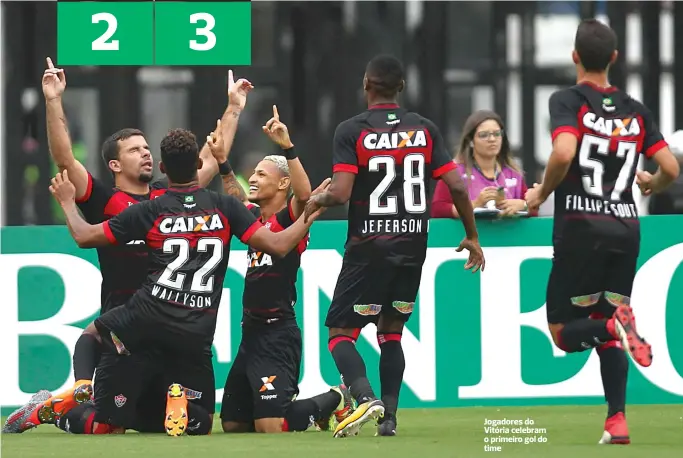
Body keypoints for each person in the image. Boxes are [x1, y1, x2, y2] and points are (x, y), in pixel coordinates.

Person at [2, 58, 253, 434]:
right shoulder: (106, 201)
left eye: (147, 147)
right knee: (108, 428)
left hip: (172, 329)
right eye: (135, 150)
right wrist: (53, 100)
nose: (147, 153)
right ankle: (56, 408)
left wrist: (233, 108)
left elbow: (208, 162)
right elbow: (64, 159)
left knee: (189, 424)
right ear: (115, 164)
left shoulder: (167, 199)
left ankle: (96, 405)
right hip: (125, 331)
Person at [39, 128, 330, 437]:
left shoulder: (150, 209)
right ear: (198, 166)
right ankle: (174, 404)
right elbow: (280, 244)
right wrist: (312, 213)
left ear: (163, 169)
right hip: (196, 330)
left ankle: (82, 388)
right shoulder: (225, 208)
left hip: (148, 314)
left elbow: (85, 237)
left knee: (94, 336)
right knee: (202, 423)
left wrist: (68, 202)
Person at [303, 54, 485, 438]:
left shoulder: (352, 131)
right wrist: (471, 235)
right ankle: (390, 419)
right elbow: (455, 186)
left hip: (369, 248)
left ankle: (366, 397)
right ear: (401, 87)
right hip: (412, 248)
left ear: (366, 84)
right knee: (391, 332)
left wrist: (316, 201)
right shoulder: (425, 129)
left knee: (340, 334)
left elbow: (340, 192)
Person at [524, 19, 680, 445]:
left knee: (563, 332)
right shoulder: (635, 109)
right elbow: (670, 168)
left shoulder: (569, 100)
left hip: (580, 230)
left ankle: (615, 328)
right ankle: (617, 422)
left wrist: (541, 193)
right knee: (604, 318)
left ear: (575, 56)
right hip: (625, 231)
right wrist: (652, 183)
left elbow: (563, 151)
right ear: (614, 58)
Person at [213, 105, 355, 434]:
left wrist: (287, 147)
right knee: (233, 424)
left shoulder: (290, 218)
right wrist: (223, 163)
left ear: (282, 185)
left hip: (277, 334)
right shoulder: (255, 221)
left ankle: (334, 397)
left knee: (272, 425)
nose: (253, 178)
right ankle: (317, 405)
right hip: (250, 333)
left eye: (262, 175)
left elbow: (305, 196)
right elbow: (234, 199)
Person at [431, 110, 530, 218]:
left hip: (509, 234)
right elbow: (438, 209)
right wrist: (475, 205)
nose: (492, 139)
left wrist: (523, 205)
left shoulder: (513, 173)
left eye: (497, 134)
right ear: (471, 141)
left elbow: (533, 209)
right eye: (483, 135)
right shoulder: (454, 172)